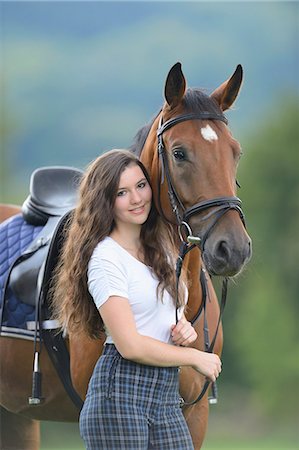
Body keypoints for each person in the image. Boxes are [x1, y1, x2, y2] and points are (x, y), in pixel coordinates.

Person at [52, 149, 221, 450]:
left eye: (141, 186)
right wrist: (195, 356)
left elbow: (163, 312)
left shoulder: (163, 249)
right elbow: (129, 345)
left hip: (165, 397)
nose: (137, 199)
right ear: (106, 201)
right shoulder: (105, 258)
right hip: (119, 396)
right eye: (122, 192)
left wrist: (183, 328)